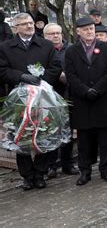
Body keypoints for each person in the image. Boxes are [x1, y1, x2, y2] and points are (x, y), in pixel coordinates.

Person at [0, 13, 62, 190]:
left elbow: (55, 66)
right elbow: (2, 70)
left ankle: (41, 173)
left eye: (30, 23)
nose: (29, 26)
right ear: (15, 27)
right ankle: (27, 176)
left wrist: (42, 82)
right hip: (18, 100)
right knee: (22, 137)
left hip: (43, 98)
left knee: (42, 134)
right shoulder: (5, 48)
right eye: (24, 24)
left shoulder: (46, 45)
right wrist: (21, 77)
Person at [65, 17, 107, 186]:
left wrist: (97, 89)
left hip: (103, 99)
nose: (89, 32)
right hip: (82, 101)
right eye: (85, 29)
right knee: (84, 140)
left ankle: (105, 169)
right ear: (78, 31)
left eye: (91, 28)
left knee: (104, 138)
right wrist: (85, 90)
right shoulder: (71, 51)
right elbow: (70, 75)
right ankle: (85, 171)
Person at [43, 23, 79, 179]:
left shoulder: (71, 49)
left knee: (68, 132)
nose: (56, 36)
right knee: (50, 131)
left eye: (58, 33)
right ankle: (51, 165)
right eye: (51, 34)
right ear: (45, 36)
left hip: (69, 95)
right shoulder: (42, 50)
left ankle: (67, 163)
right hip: (48, 97)